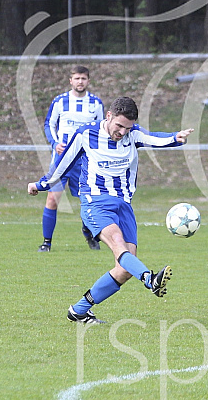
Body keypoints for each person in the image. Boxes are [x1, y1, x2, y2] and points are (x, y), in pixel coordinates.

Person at [28, 96, 194, 324]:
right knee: (118, 245)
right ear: (108, 116)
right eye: (119, 126)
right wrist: (40, 184)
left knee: (125, 268)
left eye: (127, 127)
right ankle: (150, 279)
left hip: (123, 206)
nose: (123, 132)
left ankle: (79, 310)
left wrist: (175, 138)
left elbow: (154, 138)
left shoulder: (132, 134)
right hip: (95, 203)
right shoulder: (86, 134)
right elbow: (62, 165)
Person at [38, 65, 105, 252]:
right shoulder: (60, 101)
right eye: (77, 78)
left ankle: (88, 233)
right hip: (61, 159)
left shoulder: (96, 104)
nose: (80, 82)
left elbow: (101, 130)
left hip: (84, 162)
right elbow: (49, 124)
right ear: (71, 80)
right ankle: (46, 243)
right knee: (52, 199)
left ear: (88, 81)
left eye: (83, 78)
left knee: (87, 200)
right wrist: (54, 143)